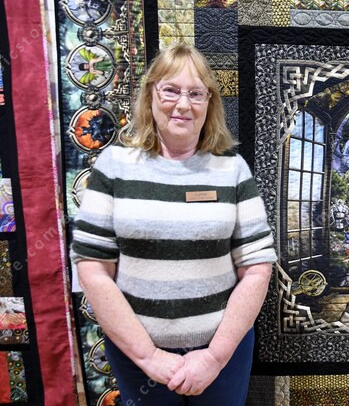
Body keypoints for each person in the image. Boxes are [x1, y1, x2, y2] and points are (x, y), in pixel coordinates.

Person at [71, 43, 277, 405]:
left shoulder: (232, 170)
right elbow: (93, 269)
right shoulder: (114, 167)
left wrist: (213, 357)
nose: (183, 104)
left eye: (196, 93)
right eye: (170, 90)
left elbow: (257, 268)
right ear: (150, 94)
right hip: (137, 358)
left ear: (209, 103)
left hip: (223, 354)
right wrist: (149, 356)